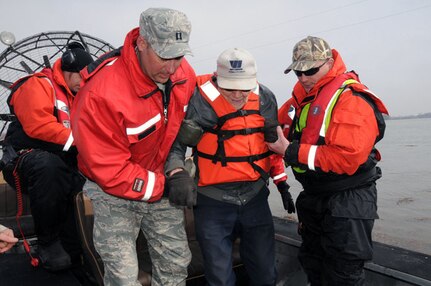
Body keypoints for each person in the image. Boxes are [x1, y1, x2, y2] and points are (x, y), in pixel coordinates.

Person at [71, 8, 196, 286]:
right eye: (164, 55)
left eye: (179, 56)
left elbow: (179, 126)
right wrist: (166, 186)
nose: (172, 67)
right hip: (113, 192)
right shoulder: (99, 94)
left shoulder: (183, 75)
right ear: (142, 43)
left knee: (176, 263)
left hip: (161, 179)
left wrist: (176, 169)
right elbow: (110, 170)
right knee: (123, 277)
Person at [166, 47, 295, 286]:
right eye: (230, 88)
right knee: (220, 278)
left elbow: (272, 146)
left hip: (255, 199)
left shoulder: (265, 98)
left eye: (244, 88)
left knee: (266, 274)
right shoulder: (200, 102)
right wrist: (176, 173)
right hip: (213, 203)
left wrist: (282, 183)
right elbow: (177, 146)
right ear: (217, 78)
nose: (237, 95)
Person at [268, 36, 388, 285]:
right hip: (314, 198)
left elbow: (347, 158)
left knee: (343, 273)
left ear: (329, 63)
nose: (302, 78)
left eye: (310, 70)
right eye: (297, 72)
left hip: (349, 201)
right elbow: (269, 132)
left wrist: (290, 152)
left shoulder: (351, 100)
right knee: (313, 262)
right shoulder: (299, 100)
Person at [1, 43, 93, 271]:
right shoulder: (38, 84)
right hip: (25, 161)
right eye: (82, 78)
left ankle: (77, 253)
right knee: (49, 167)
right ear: (71, 72)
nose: (85, 84)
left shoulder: (77, 97)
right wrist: (81, 141)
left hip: (61, 165)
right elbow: (37, 125)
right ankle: (48, 243)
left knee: (84, 182)